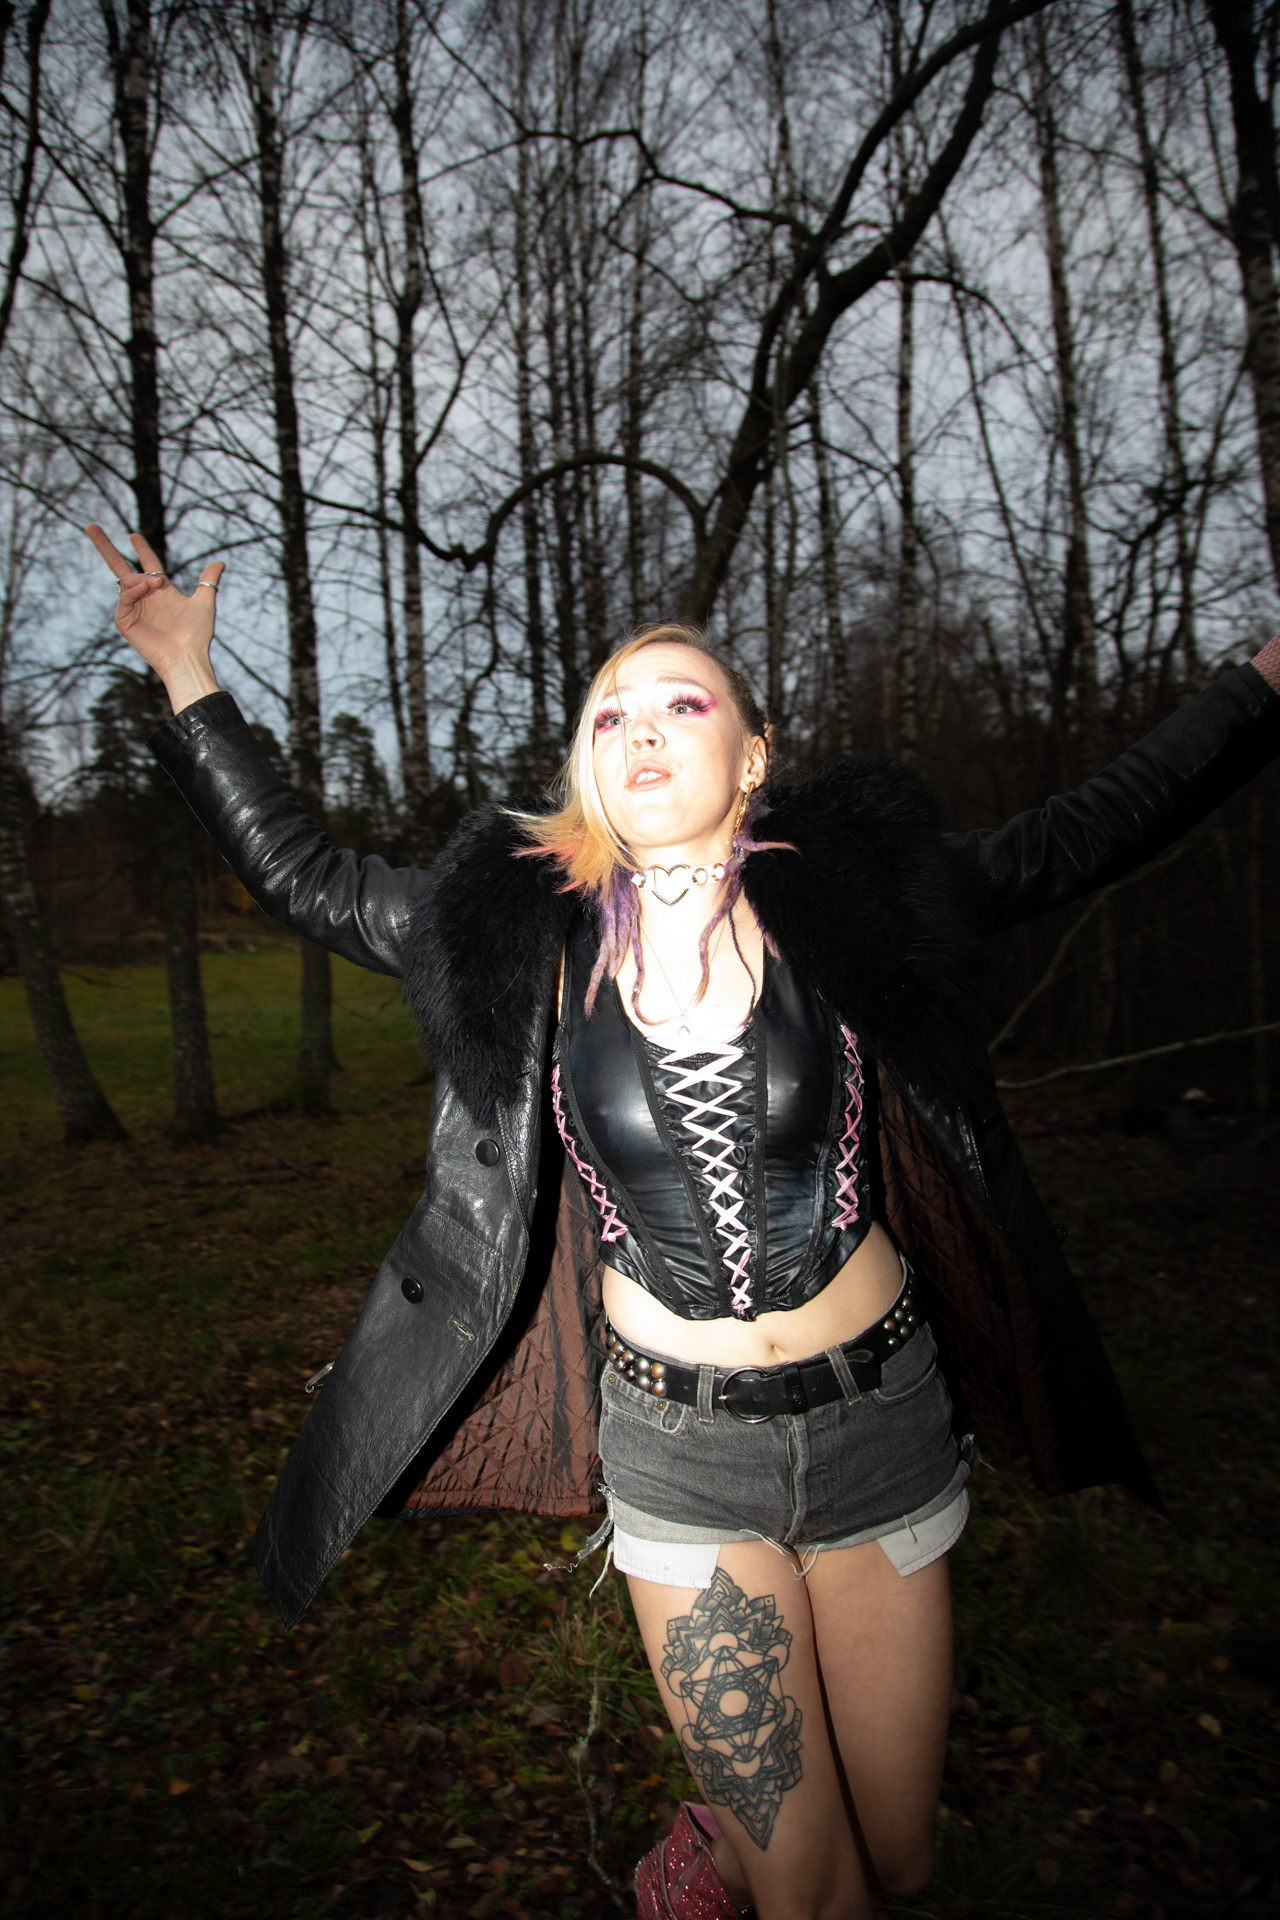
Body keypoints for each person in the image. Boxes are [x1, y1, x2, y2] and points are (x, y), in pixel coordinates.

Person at [85, 524, 1280, 1920]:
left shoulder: (862, 901)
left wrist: (1262, 681)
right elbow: (308, 876)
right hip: (684, 1453)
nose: (641, 731)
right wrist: (187, 675)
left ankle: (716, 1839)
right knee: (818, 1895)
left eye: (681, 703)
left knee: (898, 1861)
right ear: (587, 769)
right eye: (610, 717)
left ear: (751, 756)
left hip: (883, 1421)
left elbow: (1096, 821)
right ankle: (748, 1851)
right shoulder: (518, 933)